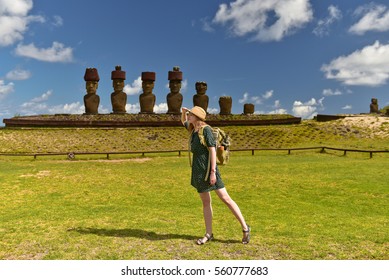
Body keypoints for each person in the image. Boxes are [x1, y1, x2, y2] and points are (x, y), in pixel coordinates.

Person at [181, 106, 251, 245]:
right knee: (206, 202)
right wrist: (184, 112)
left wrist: (213, 172)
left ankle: (245, 227)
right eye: (189, 115)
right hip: (199, 171)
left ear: (198, 117)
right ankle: (208, 233)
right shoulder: (193, 129)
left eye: (191, 115)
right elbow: (183, 121)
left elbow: (212, 151)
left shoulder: (205, 130)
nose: (189, 116)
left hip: (209, 170)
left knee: (225, 198)